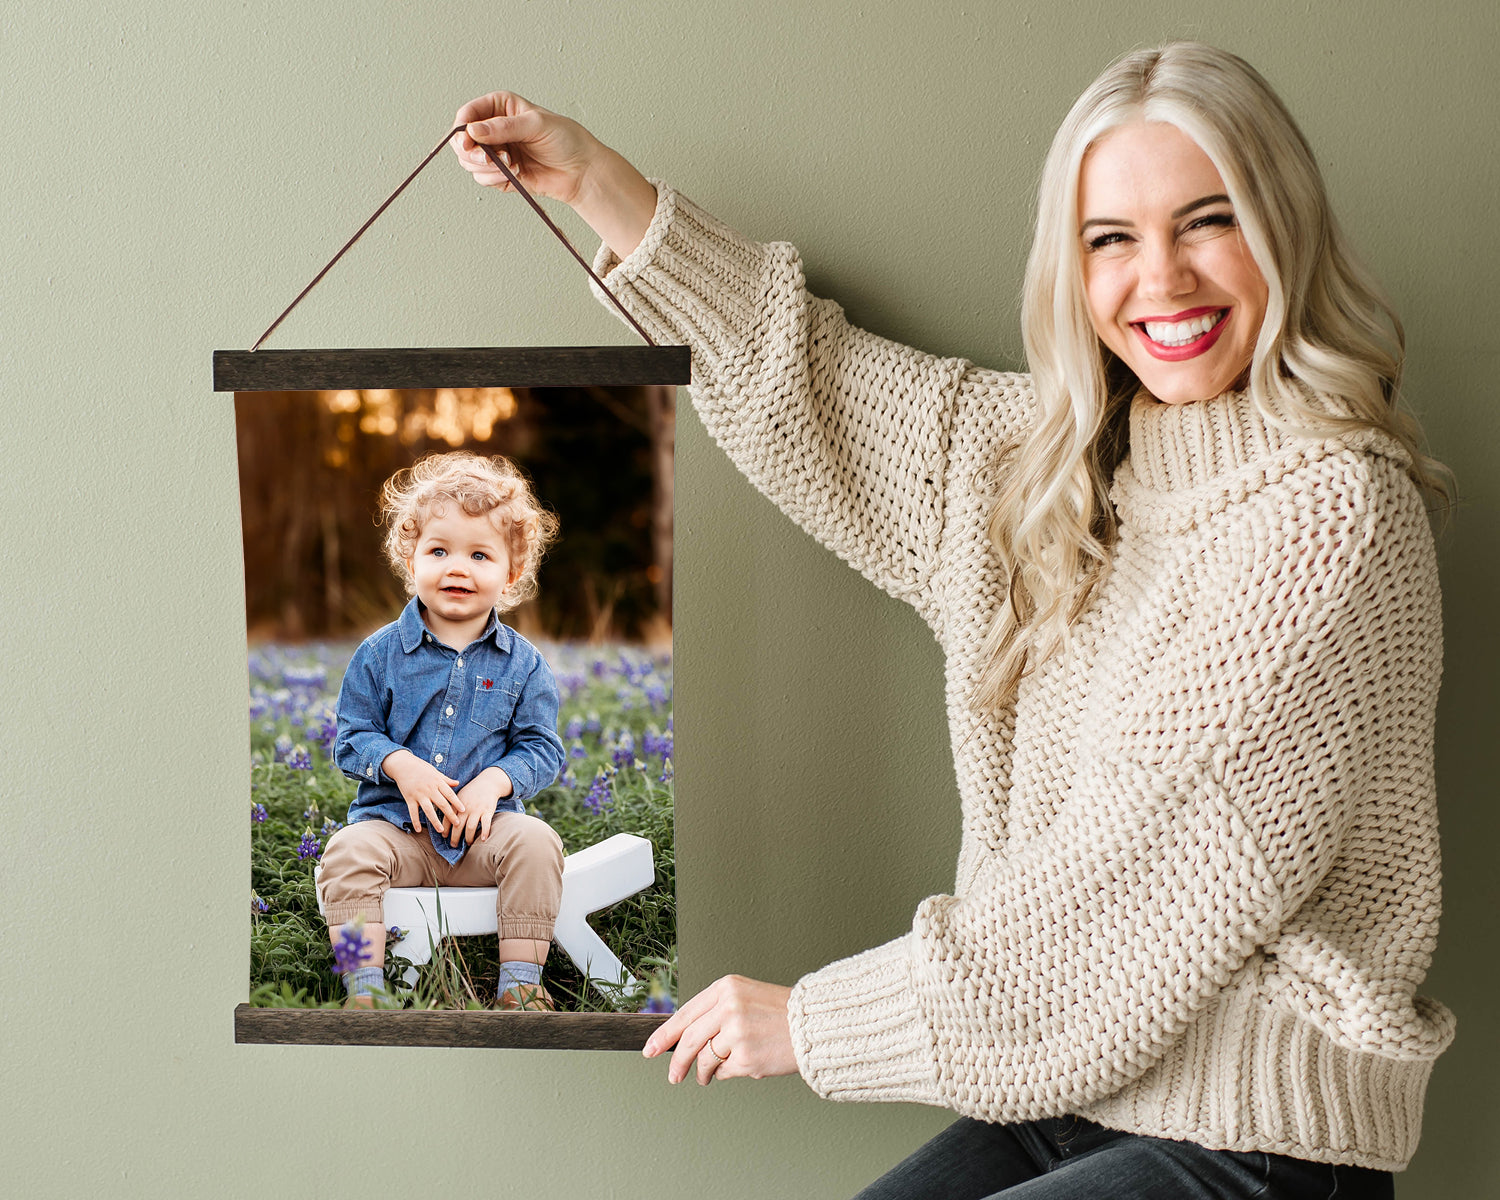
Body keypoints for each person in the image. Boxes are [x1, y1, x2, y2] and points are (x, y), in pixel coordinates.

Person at [450, 42, 1456, 1197]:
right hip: (1058, 1102)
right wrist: (592, 182)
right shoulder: (1057, 467)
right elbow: (814, 382)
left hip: (1255, 1136)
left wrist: (815, 1023)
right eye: (1112, 239)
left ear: (1282, 230)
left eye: (1208, 222)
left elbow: (1135, 888)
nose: (1162, 280)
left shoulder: (1333, 513)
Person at [318, 451, 567, 1010]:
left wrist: (497, 781)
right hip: (396, 834)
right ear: (411, 561)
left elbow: (542, 749)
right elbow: (352, 737)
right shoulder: (379, 654)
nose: (457, 567)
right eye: (439, 551)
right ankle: (364, 989)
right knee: (345, 851)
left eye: (479, 554)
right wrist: (399, 765)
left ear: (512, 573)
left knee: (536, 841)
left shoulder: (524, 664)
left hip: (484, 837)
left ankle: (521, 983)